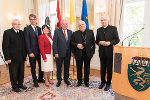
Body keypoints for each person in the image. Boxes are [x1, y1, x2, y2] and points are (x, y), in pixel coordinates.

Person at [95, 14, 120, 91]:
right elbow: (96, 41)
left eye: (104, 20)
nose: (103, 21)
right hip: (102, 52)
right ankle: (102, 82)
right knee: (102, 68)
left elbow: (117, 40)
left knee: (109, 68)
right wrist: (100, 42)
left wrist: (109, 43)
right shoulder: (98, 30)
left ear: (108, 20)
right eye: (102, 20)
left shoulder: (113, 28)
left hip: (110, 52)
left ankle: (108, 83)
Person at [2, 19, 27, 92]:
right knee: (13, 73)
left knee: (21, 72)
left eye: (19, 24)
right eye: (16, 24)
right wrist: (7, 58)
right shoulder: (7, 32)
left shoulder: (22, 33)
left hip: (21, 57)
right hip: (12, 58)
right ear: (12, 25)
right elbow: (5, 47)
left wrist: (25, 55)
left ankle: (20, 84)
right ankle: (14, 86)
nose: (18, 25)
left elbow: (24, 45)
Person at [71, 20, 95, 87]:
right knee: (79, 68)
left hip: (87, 54)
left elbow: (93, 43)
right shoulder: (75, 33)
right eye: (80, 25)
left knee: (87, 68)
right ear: (78, 26)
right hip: (78, 53)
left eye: (82, 24)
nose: (81, 26)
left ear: (85, 25)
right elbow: (72, 42)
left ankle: (86, 81)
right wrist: (77, 45)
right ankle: (79, 81)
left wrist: (92, 52)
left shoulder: (90, 32)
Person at [24, 14, 44, 87]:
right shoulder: (27, 29)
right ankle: (35, 81)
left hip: (39, 51)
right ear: (30, 20)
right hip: (32, 52)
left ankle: (40, 78)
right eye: (31, 19)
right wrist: (29, 52)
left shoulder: (39, 28)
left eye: (34, 19)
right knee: (33, 67)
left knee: (41, 66)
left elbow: (41, 40)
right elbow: (27, 41)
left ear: (36, 20)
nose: (33, 20)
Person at [53, 19, 72, 87]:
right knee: (59, 67)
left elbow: (71, 43)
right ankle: (59, 80)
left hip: (68, 53)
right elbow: (54, 43)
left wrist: (72, 52)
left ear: (67, 24)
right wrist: (55, 52)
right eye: (63, 24)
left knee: (67, 67)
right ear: (61, 24)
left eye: (66, 24)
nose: (65, 25)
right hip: (59, 53)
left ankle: (66, 79)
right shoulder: (57, 31)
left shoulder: (70, 32)